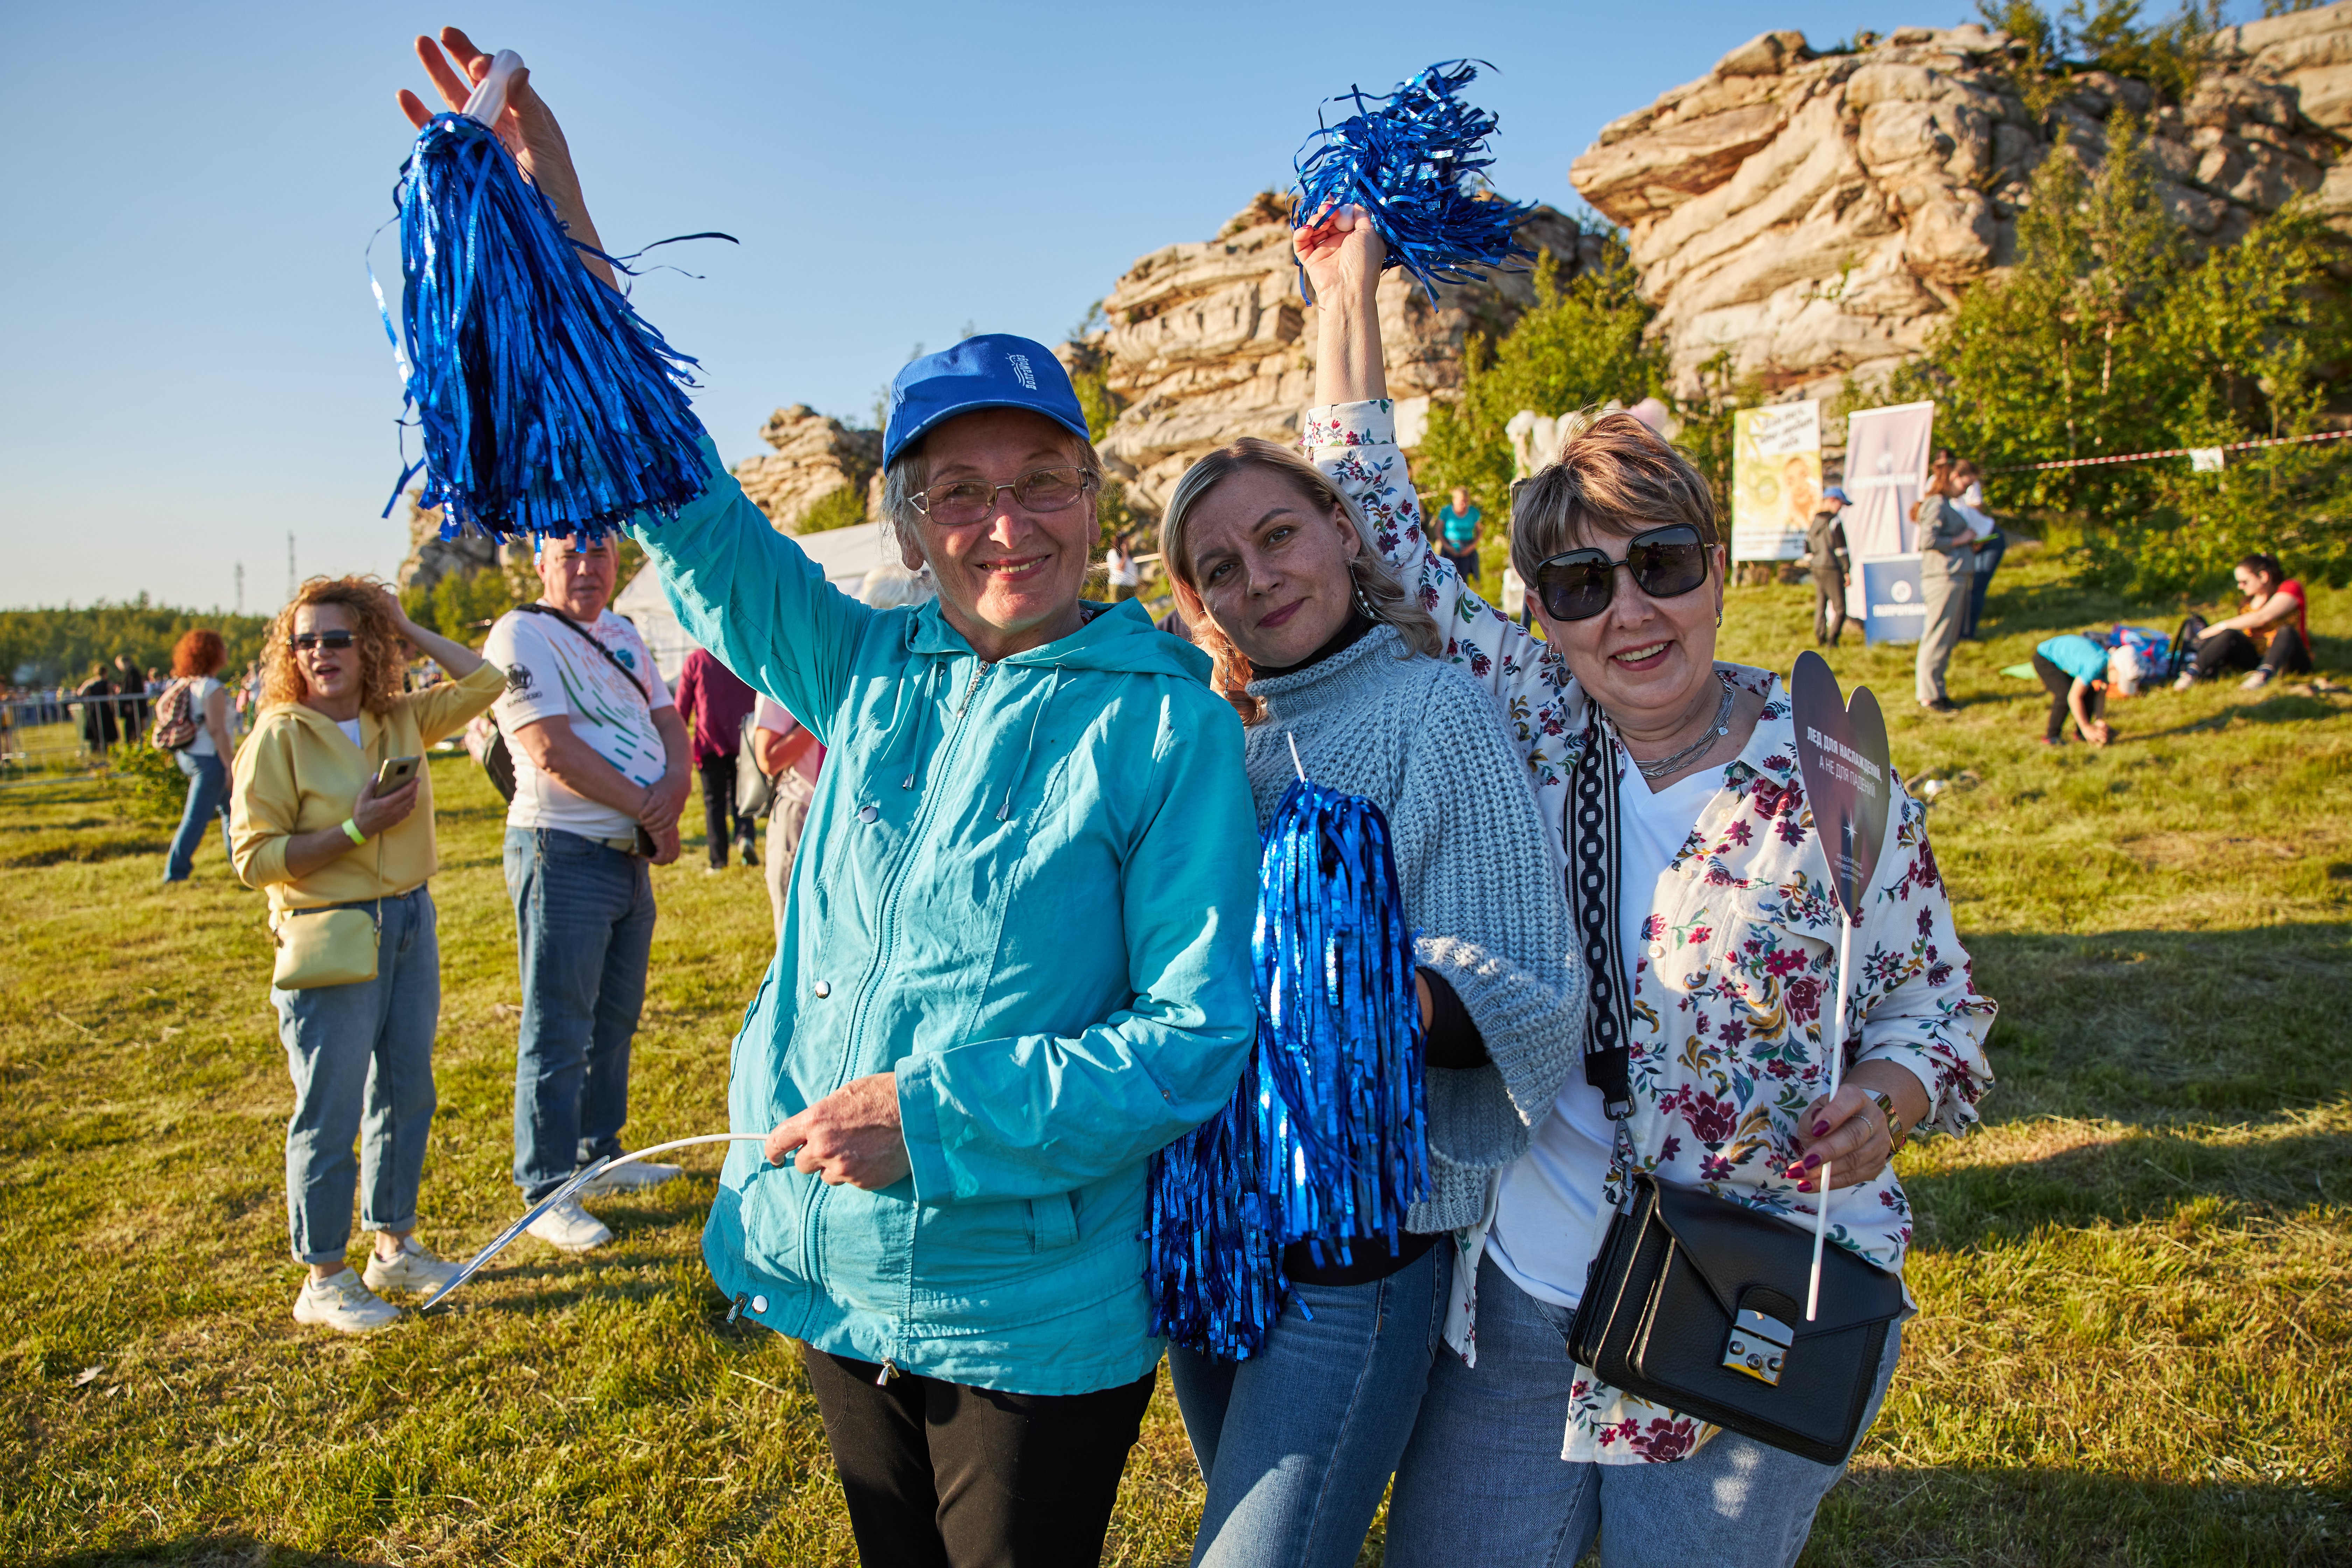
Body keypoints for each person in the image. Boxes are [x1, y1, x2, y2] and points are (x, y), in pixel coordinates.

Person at [398, 32, 1263, 1565]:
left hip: (1027, 1294)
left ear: (1091, 498)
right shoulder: (860, 664)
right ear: (913, 524)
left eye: (1038, 483)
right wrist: (561, 230)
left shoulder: (1162, 729)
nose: (1005, 524)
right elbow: (684, 497)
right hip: (823, 1242)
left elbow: (1190, 1040)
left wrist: (929, 1114)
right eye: (958, 493)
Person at [1293, 206, 1995, 1566]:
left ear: (1719, 568)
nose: (1631, 610)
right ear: (1543, 612)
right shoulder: (1541, 722)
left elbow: (1939, 1007)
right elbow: (1376, 529)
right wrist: (1349, 291)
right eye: (1581, 581)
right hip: (1527, 1295)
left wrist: (1892, 1102)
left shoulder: (1835, 776)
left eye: (1663, 565)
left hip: (1753, 1291)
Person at [1155, 415, 1585, 1561]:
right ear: (1204, 606)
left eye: (1280, 534)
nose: (1261, 577)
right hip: (1214, 1236)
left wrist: (1331, 993)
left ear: (1343, 532)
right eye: (1220, 569)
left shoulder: (1432, 710)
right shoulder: (1222, 747)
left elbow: (1527, 980)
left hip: (1355, 1254)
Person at [229, 577, 505, 1332]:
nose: (320, 652)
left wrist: (407, 623)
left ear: (369, 645)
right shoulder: (278, 736)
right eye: (306, 640)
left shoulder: (400, 717)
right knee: (330, 1105)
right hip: (331, 931)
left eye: (339, 637)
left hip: (410, 919)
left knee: (406, 1090)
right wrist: (353, 830)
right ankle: (322, 1274)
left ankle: (395, 1244)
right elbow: (253, 859)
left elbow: (486, 681)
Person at [480, 528, 692, 1253]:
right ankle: (546, 1186)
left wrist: (671, 795)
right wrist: (649, 807)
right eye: (569, 553)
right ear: (541, 563)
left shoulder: (625, 633)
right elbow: (547, 747)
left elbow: (668, 721)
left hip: (626, 854)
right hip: (560, 849)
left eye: (600, 552)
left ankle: (599, 1155)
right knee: (558, 1026)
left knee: (615, 1018)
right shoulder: (520, 633)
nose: (586, 566)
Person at [747, 563, 930, 931]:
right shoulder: (805, 665)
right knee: (797, 935)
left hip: (870, 821)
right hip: (804, 816)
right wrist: (834, 709)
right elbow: (767, 757)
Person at [672, 642, 761, 872]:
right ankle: (745, 839)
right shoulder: (743, 657)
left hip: (709, 742)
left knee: (715, 803)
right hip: (745, 740)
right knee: (743, 797)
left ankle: (718, 860)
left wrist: (673, 741)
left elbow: (681, 706)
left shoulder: (697, 660)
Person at [161, 629, 237, 883]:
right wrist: (229, 766)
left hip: (192, 754)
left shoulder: (190, 684)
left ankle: (239, 865)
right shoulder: (212, 688)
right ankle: (176, 873)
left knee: (230, 811)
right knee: (197, 818)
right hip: (211, 759)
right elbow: (217, 729)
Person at [2175, 552, 2314, 691]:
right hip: (2256, 658)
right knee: (2230, 635)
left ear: (2263, 577)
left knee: (2286, 631)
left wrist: (2220, 626)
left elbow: (2262, 617)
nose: (2240, 587)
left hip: (2290, 660)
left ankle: (2263, 676)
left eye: (2244, 582)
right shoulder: (2248, 603)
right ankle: (2191, 674)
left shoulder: (2290, 588)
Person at [1912, 467, 1974, 713]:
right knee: (1937, 636)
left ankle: (1937, 690)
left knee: (1945, 638)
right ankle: (1929, 695)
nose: (1966, 491)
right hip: (1943, 577)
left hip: (1953, 575)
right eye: (1965, 485)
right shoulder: (1936, 504)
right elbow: (1927, 540)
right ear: (1952, 477)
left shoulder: (1945, 504)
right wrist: (1962, 540)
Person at [1950, 461, 2003, 640]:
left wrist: (1971, 541)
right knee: (1962, 589)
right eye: (1967, 485)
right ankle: (1957, 632)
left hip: (1989, 539)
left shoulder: (1958, 505)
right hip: (1970, 543)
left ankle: (1967, 634)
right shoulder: (1947, 502)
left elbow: (1971, 529)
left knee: (1976, 587)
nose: (1967, 490)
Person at [2032, 633, 2113, 747]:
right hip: (2045, 658)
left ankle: (2082, 735)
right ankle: (2052, 737)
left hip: (2063, 654)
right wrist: (2085, 726)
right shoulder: (2096, 666)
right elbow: (2073, 697)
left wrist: (2099, 721)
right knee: (2064, 694)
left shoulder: (2111, 665)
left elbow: (2100, 695)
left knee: (2089, 692)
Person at [1805, 485, 1851, 648]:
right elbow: (1841, 548)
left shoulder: (1815, 520)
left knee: (1822, 604)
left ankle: (1820, 638)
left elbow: (1807, 544)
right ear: (1832, 501)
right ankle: (1833, 642)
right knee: (1841, 608)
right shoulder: (1834, 521)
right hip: (1831, 567)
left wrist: (1811, 562)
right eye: (1841, 504)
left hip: (1817, 567)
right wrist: (1847, 570)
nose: (1841, 508)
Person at [1436, 485, 1483, 580]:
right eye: (1462, 502)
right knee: (1448, 579)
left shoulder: (1474, 512)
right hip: (1449, 548)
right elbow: (1438, 530)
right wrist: (1447, 546)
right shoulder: (1446, 511)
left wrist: (1471, 547)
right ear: (1454, 500)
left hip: (1467, 549)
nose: (1464, 505)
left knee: (1463, 580)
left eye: (1466, 501)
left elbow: (1480, 532)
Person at [75, 663, 119, 753]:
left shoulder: (90, 682)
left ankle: (96, 749)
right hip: (105, 709)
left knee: (96, 729)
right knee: (107, 730)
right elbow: (116, 692)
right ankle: (108, 749)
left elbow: (80, 692)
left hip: (93, 710)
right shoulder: (107, 683)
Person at [1106, 534, 1143, 602]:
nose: (1128, 543)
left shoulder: (1130, 556)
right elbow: (1120, 568)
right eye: (1126, 541)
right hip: (1120, 586)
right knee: (1119, 608)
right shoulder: (1113, 553)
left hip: (1131, 586)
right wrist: (1125, 554)